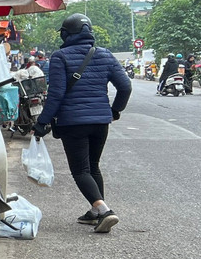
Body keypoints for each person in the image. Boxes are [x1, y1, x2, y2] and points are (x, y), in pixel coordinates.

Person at [33, 13, 131, 234]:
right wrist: (115, 111)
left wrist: (41, 122)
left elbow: (56, 94)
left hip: (73, 122)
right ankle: (96, 212)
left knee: (80, 170)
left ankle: (104, 211)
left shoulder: (60, 57)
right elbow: (125, 87)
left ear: (66, 34)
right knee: (93, 166)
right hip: (101, 122)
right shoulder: (105, 55)